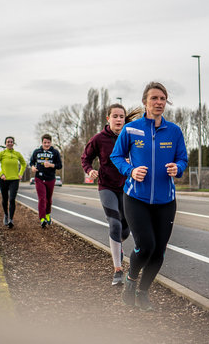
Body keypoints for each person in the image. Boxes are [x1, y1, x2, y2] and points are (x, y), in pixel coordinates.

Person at [111, 82, 188, 310]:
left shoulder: (174, 131)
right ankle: (131, 281)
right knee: (145, 246)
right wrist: (130, 171)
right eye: (154, 98)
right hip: (136, 198)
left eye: (162, 98)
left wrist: (179, 168)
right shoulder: (131, 129)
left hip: (166, 201)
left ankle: (143, 293)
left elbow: (183, 158)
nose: (158, 102)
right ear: (145, 101)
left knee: (159, 250)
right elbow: (117, 156)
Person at [81, 104, 141, 286]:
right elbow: (86, 158)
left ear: (124, 119)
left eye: (121, 116)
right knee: (114, 224)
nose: (118, 119)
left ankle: (118, 246)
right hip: (106, 186)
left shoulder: (131, 137)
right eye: (115, 116)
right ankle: (118, 270)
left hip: (127, 187)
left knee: (125, 230)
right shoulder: (99, 139)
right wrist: (90, 170)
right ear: (108, 119)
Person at [0, 136, 27, 229]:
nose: (10, 143)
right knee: (5, 199)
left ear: (13, 143)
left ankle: (11, 219)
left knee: (12, 199)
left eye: (11, 142)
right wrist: (0, 174)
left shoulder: (17, 154)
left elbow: (24, 164)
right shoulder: (2, 154)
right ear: (5, 144)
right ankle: (6, 215)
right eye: (8, 142)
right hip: (4, 180)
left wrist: (20, 173)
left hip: (14, 179)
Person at [30, 134, 63, 228]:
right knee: (42, 198)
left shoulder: (55, 152)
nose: (47, 144)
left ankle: (48, 215)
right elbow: (31, 162)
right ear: (42, 142)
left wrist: (51, 165)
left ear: (51, 142)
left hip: (50, 178)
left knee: (48, 200)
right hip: (39, 178)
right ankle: (42, 219)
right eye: (45, 142)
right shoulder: (37, 152)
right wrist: (32, 167)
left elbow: (59, 165)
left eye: (48, 142)